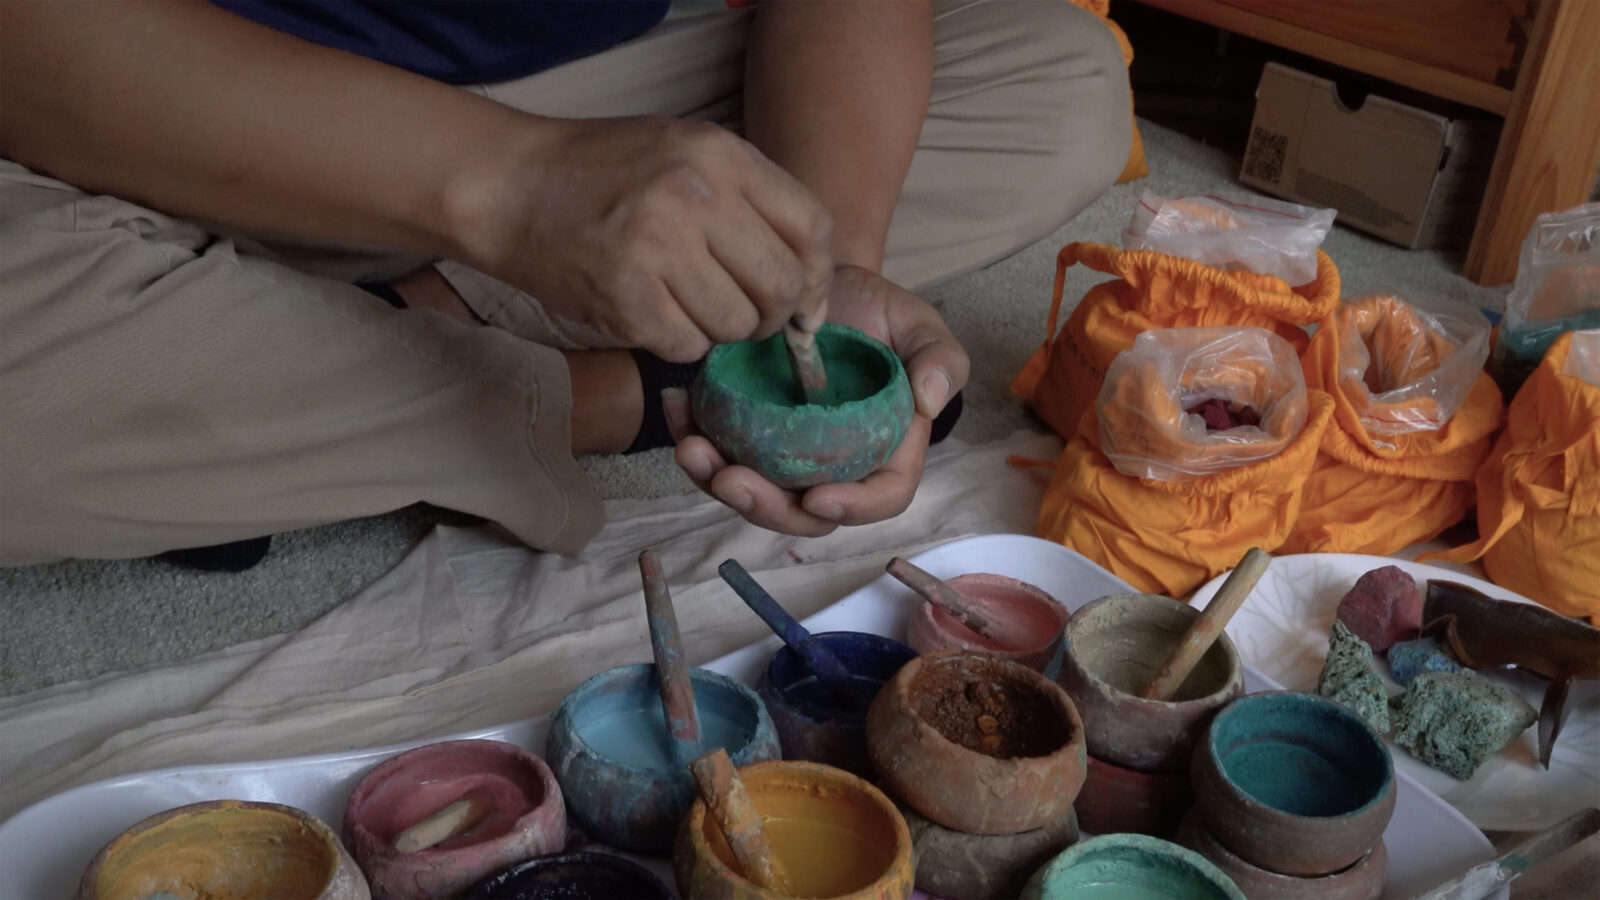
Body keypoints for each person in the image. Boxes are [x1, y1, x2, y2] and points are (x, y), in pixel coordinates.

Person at [0, 0, 1131, 567]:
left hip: (582, 93)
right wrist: (512, 189)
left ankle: (277, 390)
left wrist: (824, 262)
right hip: (157, 105)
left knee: (1061, 84)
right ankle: (619, 396)